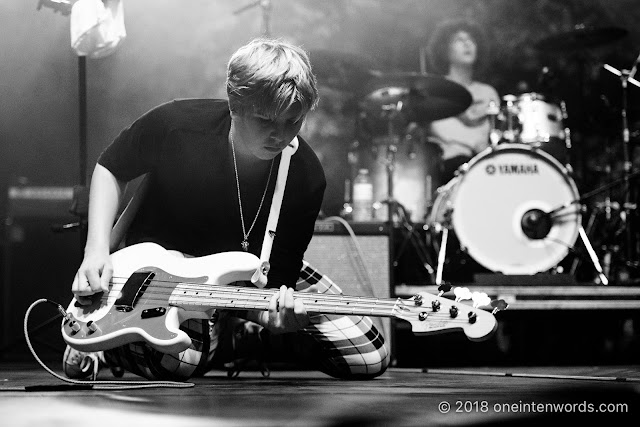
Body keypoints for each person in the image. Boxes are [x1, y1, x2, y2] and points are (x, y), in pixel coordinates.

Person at [64, 38, 390, 381]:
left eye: (294, 121)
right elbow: (111, 166)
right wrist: (96, 251)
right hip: (161, 279)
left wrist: (272, 318)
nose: (280, 136)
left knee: (369, 355)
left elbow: (275, 283)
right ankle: (119, 337)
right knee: (179, 363)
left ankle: (238, 335)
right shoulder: (179, 125)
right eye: (266, 120)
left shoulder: (305, 175)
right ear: (235, 103)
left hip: (249, 280)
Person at [426, 19, 500, 183]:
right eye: (459, 40)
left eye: (471, 40)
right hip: (449, 170)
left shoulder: (488, 93)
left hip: (485, 167)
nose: (467, 44)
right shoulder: (435, 90)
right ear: (445, 50)